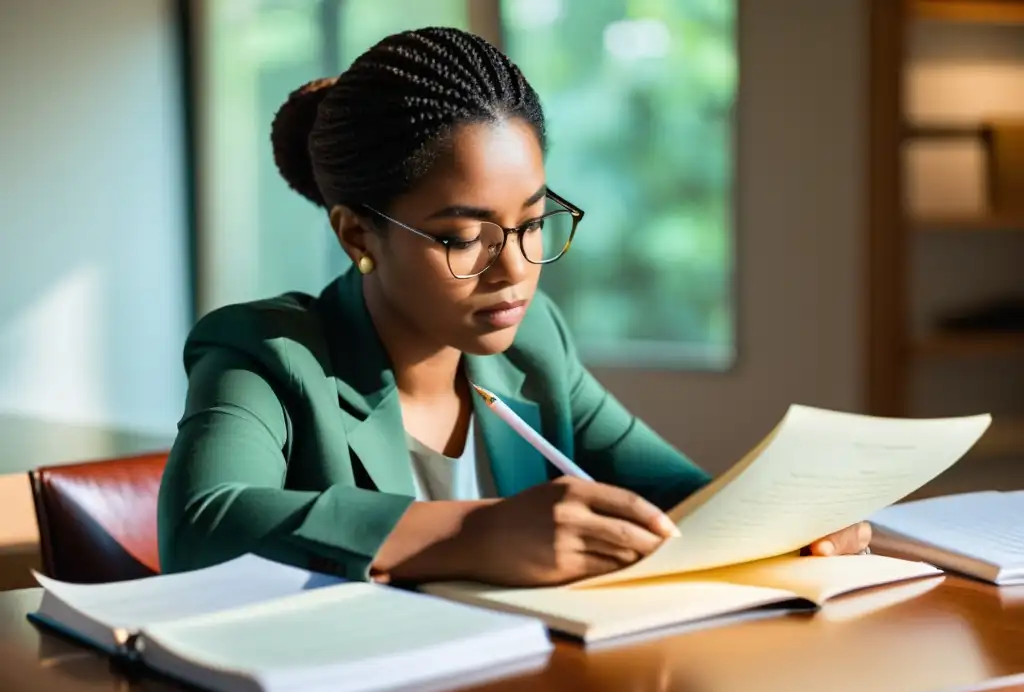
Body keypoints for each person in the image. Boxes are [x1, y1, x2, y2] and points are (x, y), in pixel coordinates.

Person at [157, 26, 870, 586]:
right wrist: (473, 533)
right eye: (465, 237)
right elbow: (202, 525)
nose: (516, 270)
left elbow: (675, 493)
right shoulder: (265, 351)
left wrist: (786, 525)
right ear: (355, 233)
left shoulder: (533, 345)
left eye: (532, 223)